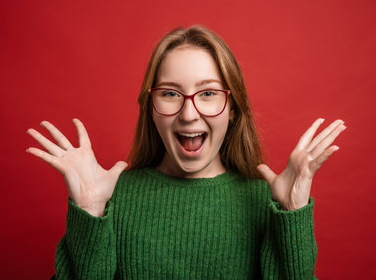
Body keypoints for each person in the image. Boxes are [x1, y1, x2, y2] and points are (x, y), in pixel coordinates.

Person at [26, 25, 346, 279]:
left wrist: (292, 215)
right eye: (170, 93)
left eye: (207, 93)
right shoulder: (111, 199)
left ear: (232, 108)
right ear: (151, 107)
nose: (189, 114)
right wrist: (90, 213)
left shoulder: (268, 203)